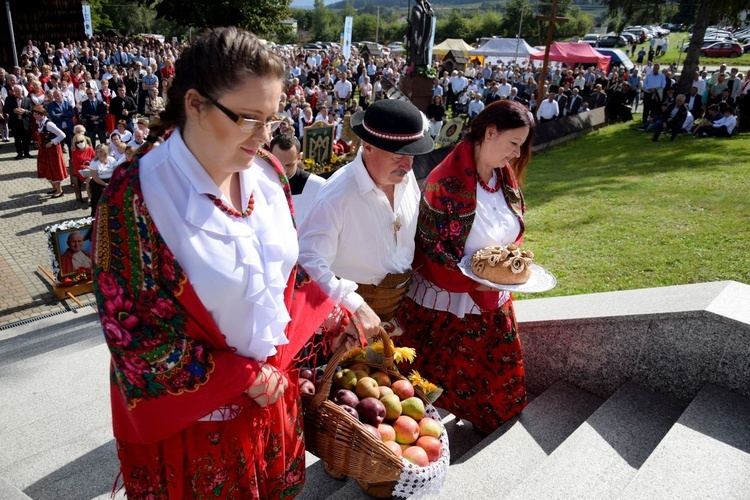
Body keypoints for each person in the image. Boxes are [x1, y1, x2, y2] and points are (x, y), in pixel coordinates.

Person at [92, 27, 357, 499]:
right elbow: (132, 339)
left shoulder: (269, 173)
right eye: (249, 118)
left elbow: (282, 278)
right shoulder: (134, 196)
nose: (264, 137)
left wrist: (336, 315)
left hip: (273, 401)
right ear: (194, 103)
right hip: (195, 427)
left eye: (272, 120)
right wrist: (245, 377)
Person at [395, 100, 535, 436]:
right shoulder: (445, 180)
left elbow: (512, 227)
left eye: (520, 146)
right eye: (513, 143)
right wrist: (472, 280)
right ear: (489, 133)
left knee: (496, 385)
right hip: (448, 305)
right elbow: (430, 247)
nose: (516, 154)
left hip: (492, 299)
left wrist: (507, 266)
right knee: (429, 387)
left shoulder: (503, 175)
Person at [298, 99, 434, 337]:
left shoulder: (405, 176)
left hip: (401, 313)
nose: (409, 166)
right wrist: (353, 304)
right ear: (367, 145)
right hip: (350, 326)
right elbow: (308, 262)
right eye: (398, 156)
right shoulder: (336, 195)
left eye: (412, 155)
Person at [269, 134, 324, 226]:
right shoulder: (261, 182)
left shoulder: (318, 186)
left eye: (289, 165)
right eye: (278, 164)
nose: (283, 170)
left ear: (298, 158)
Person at [32, 105, 67, 197]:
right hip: (43, 150)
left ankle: (59, 190)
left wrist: (52, 142)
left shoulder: (49, 124)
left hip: (53, 150)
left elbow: (62, 135)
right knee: (46, 168)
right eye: (34, 114)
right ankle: (54, 187)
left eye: (37, 114)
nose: (35, 116)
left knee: (54, 169)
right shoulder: (38, 123)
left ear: (43, 114)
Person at [3, 85, 33, 159]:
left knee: (26, 139)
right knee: (17, 139)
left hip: (25, 122)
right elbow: (5, 110)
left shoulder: (27, 99)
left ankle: (26, 153)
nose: (17, 93)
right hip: (15, 122)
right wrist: (13, 111)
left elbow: (31, 111)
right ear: (13, 91)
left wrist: (25, 111)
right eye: (16, 91)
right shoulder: (9, 99)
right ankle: (19, 154)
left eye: (19, 91)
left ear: (22, 91)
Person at [71, 133, 95, 204]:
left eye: (81, 141)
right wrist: (85, 167)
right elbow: (76, 165)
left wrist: (91, 166)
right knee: (90, 179)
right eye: (77, 142)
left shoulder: (90, 149)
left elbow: (94, 159)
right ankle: (90, 197)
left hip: (91, 169)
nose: (80, 143)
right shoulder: (75, 151)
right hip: (80, 172)